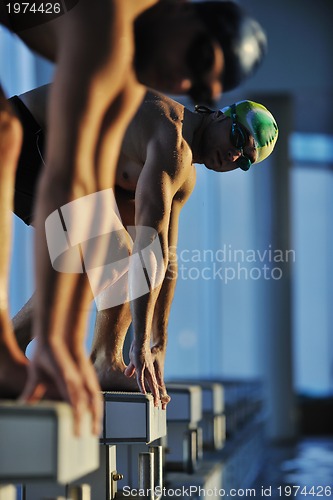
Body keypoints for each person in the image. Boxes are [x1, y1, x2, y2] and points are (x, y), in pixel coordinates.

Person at [0, 0, 268, 433]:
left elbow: (166, 257)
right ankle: (18, 346)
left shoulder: (183, 175)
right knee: (117, 247)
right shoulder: (169, 134)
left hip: (47, 153)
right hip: (32, 136)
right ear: (216, 114)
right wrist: (121, 343)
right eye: (237, 136)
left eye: (243, 160)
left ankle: (106, 356)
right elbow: (140, 240)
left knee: (121, 245)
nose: (233, 154)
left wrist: (157, 343)